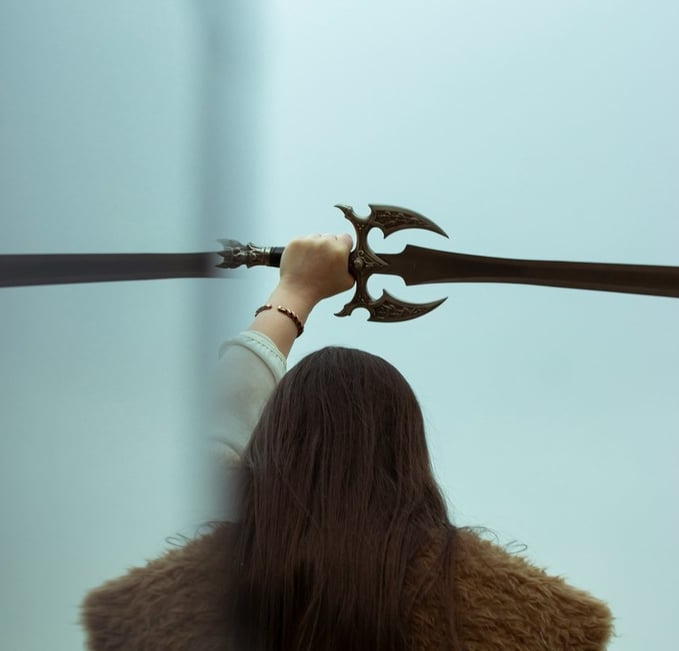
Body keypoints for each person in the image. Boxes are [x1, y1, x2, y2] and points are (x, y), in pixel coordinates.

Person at [81, 234, 613, 650]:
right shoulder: (535, 622)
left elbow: (217, 428)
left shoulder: (166, 606)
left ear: (271, 443)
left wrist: (295, 291)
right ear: (409, 453)